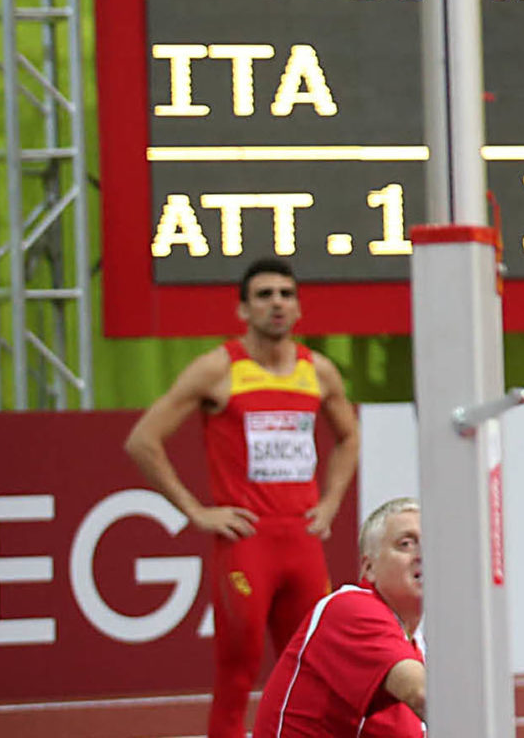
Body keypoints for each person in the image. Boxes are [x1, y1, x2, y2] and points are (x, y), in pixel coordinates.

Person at [126, 258, 361, 738]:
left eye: (285, 294)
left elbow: (349, 437)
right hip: (248, 544)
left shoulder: (317, 371)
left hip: (302, 544)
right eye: (264, 295)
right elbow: (142, 441)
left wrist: (332, 501)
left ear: (298, 308)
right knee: (237, 677)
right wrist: (195, 511)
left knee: (317, 674)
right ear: (242, 309)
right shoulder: (218, 369)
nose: (277, 303)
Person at [252, 497, 425, 738]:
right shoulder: (353, 609)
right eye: (406, 544)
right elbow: (422, 694)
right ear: (369, 568)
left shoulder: (416, 646)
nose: (423, 554)